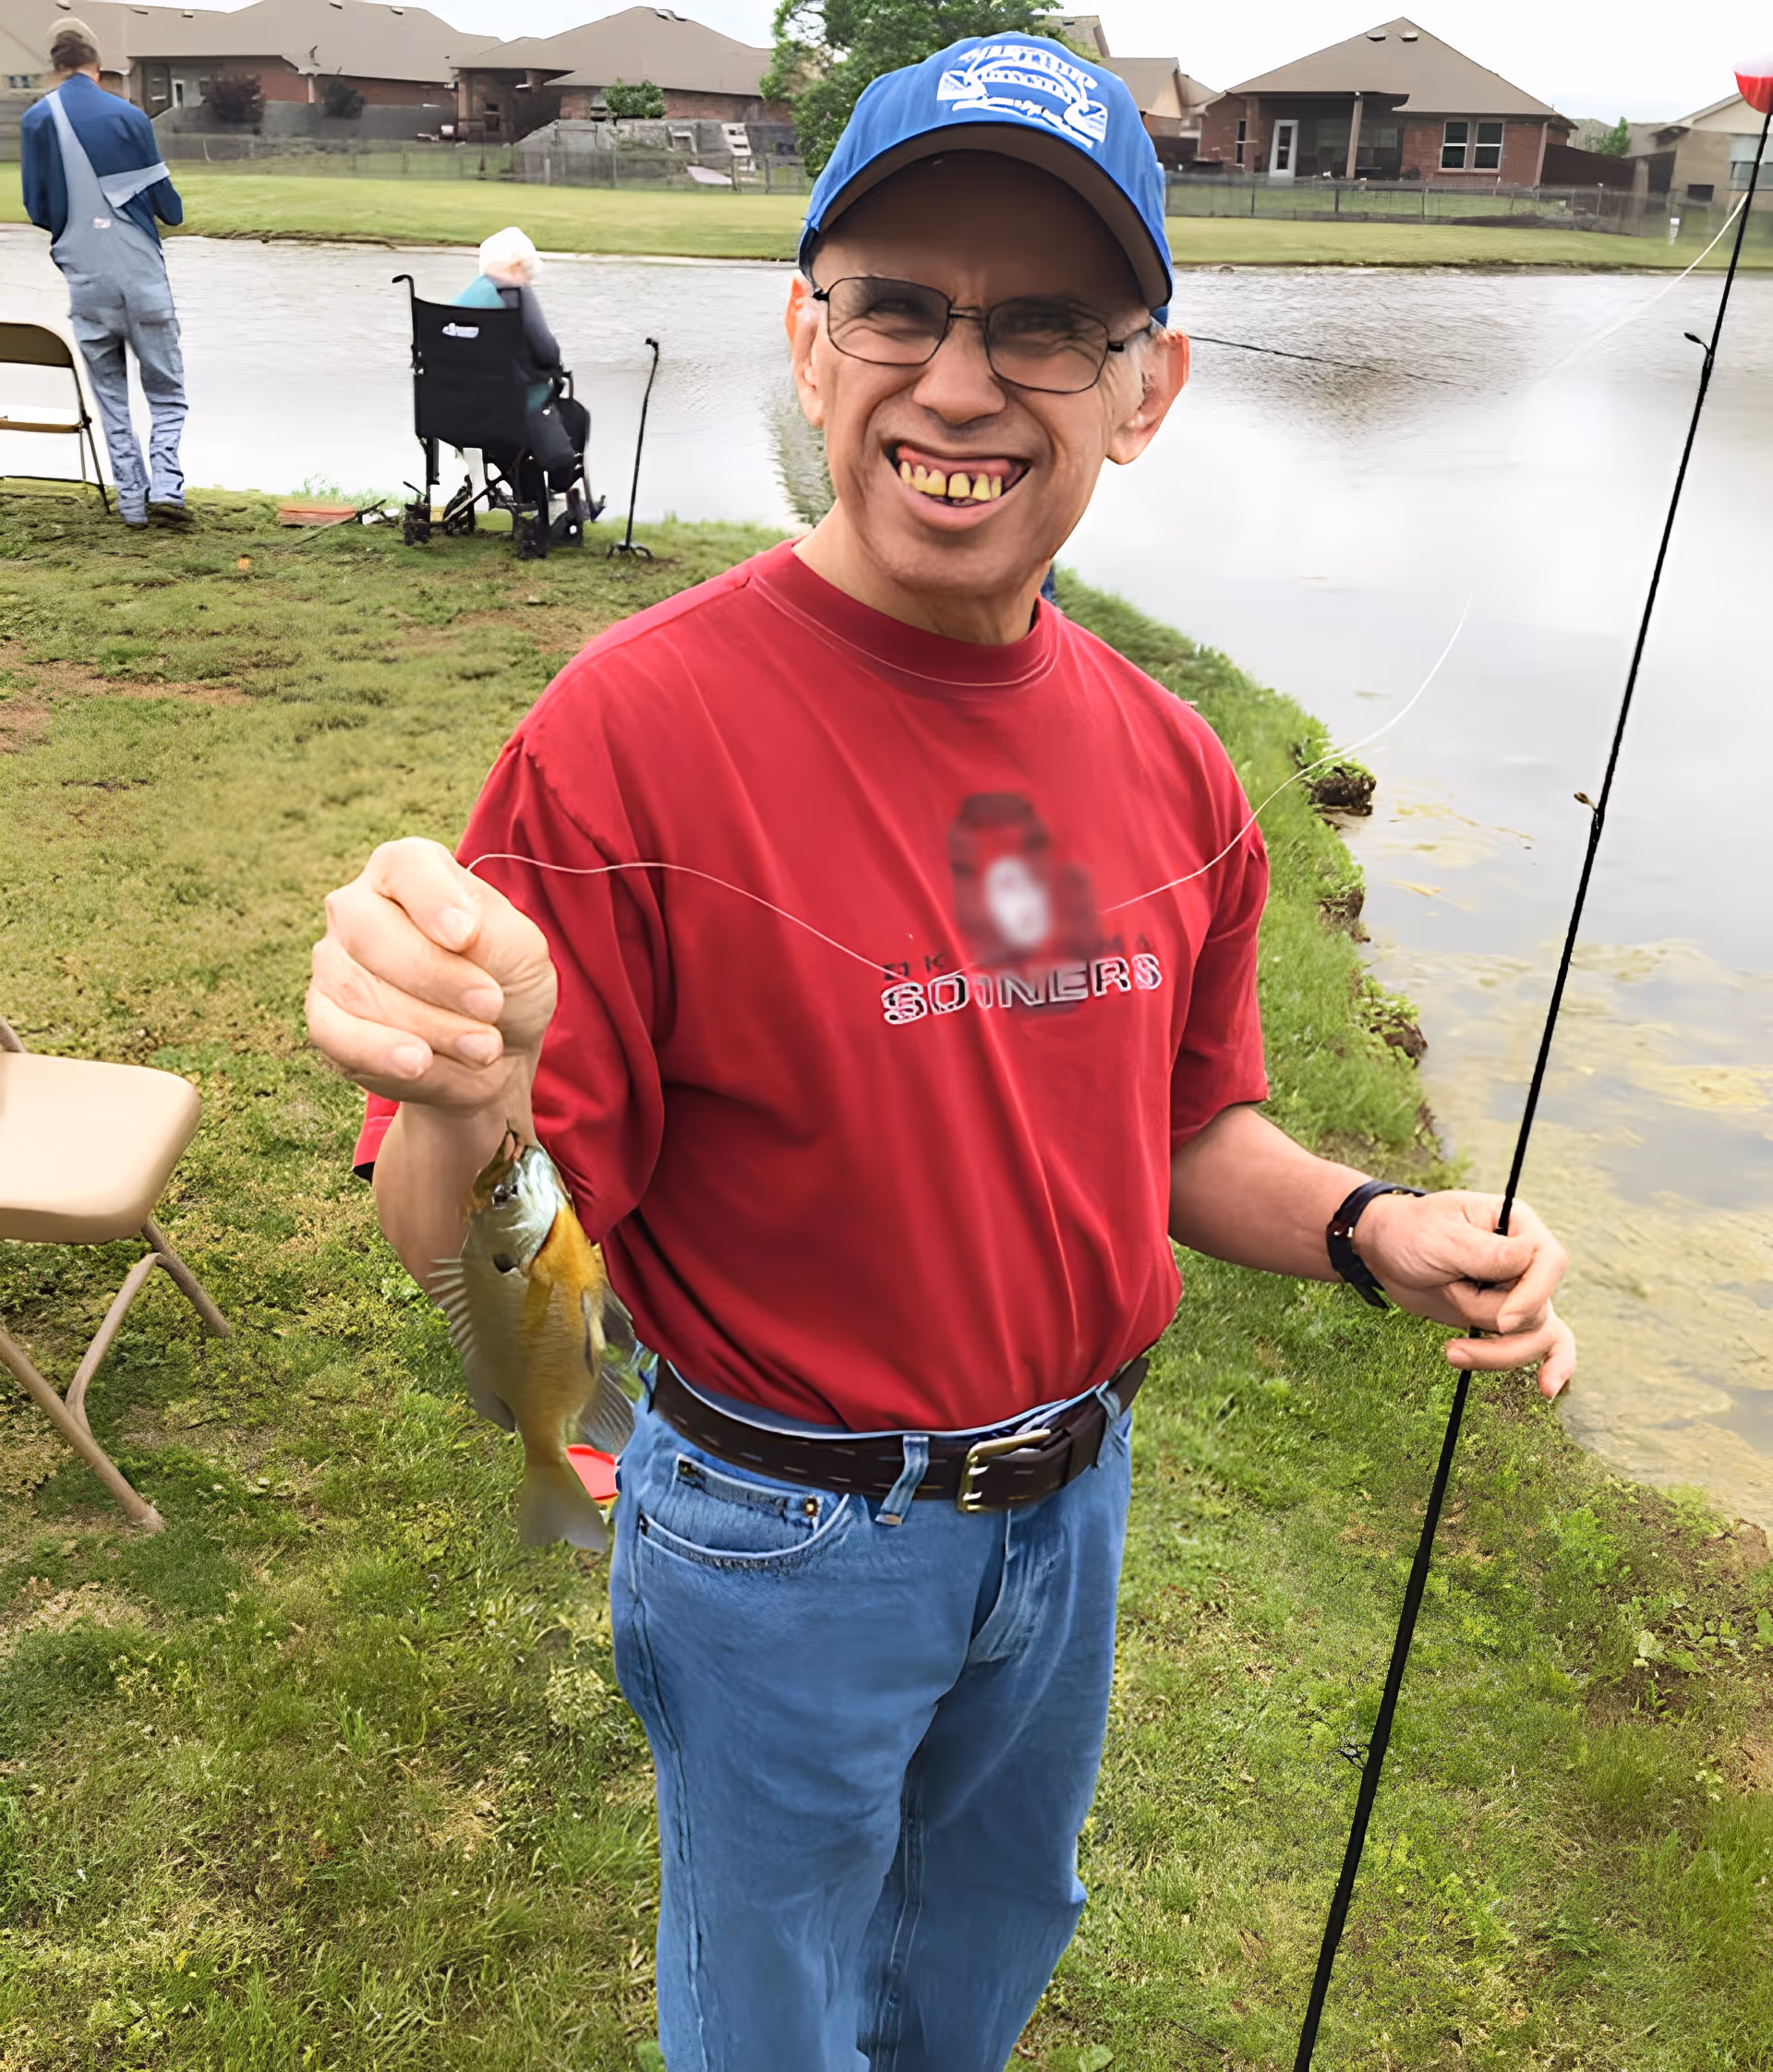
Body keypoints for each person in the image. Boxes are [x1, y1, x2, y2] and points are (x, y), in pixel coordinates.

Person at [307, 37, 1575, 2071]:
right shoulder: (628, 735)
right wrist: (459, 1098)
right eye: (901, 305)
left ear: (1145, 392)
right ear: (810, 345)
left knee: (989, 1947)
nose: (963, 384)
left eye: (1049, 327)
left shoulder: (1173, 765)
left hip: (1074, 1507)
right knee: (777, 1997)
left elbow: (1174, 1129)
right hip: (781, 1531)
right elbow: (457, 1245)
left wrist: (1367, 1225)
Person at [20, 17, 188, 528]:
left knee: (111, 393)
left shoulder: (36, 121)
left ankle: (133, 504)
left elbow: (39, 208)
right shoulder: (129, 117)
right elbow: (171, 211)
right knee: (166, 389)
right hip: (141, 275)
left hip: (85, 279)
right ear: (97, 63)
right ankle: (167, 489)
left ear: (54, 65)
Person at [456, 225, 589, 515]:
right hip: (507, 414)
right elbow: (547, 352)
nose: (528, 278)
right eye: (527, 271)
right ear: (517, 265)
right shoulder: (515, 294)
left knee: (522, 421)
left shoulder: (469, 295)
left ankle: (528, 494)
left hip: (455, 413)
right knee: (575, 416)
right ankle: (557, 490)